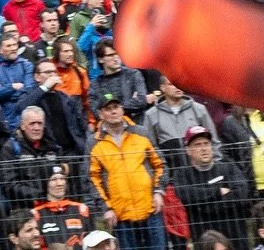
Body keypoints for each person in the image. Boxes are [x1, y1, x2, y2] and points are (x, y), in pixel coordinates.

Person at [86, 94, 165, 250]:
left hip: (150, 208)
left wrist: (158, 191)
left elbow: (160, 164)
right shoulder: (94, 142)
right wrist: (106, 208)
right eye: (108, 109)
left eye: (116, 107)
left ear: (122, 110)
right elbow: (92, 178)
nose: (113, 112)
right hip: (120, 214)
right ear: (101, 114)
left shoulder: (141, 132)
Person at [168, 128, 248, 243]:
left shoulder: (228, 167)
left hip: (234, 236)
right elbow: (185, 194)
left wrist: (205, 206)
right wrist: (218, 192)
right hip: (203, 238)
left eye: (206, 143)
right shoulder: (182, 174)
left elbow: (242, 193)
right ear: (188, 150)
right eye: (197, 145)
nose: (203, 148)